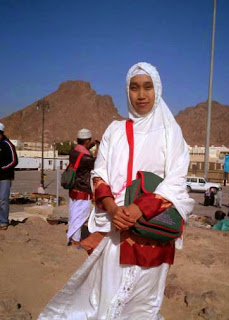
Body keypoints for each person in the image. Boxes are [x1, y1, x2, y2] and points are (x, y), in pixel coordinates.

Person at [38, 62, 194, 319]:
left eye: (147, 87)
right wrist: (113, 208)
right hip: (116, 227)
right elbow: (100, 175)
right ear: (127, 91)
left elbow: (176, 180)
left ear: (158, 91)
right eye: (134, 88)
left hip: (152, 229)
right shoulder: (115, 131)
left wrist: (138, 209)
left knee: (143, 304)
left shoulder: (170, 133)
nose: (141, 95)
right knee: (107, 297)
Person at [67, 128, 96, 246]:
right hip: (82, 189)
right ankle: (76, 240)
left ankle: (73, 238)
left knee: (74, 214)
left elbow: (82, 156)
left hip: (73, 187)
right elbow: (95, 164)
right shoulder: (86, 158)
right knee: (81, 215)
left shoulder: (73, 152)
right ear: (87, 141)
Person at [0, 123, 18, 231]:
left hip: (5, 177)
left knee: (3, 199)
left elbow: (14, 161)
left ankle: (3, 222)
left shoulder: (8, 144)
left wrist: (2, 168)